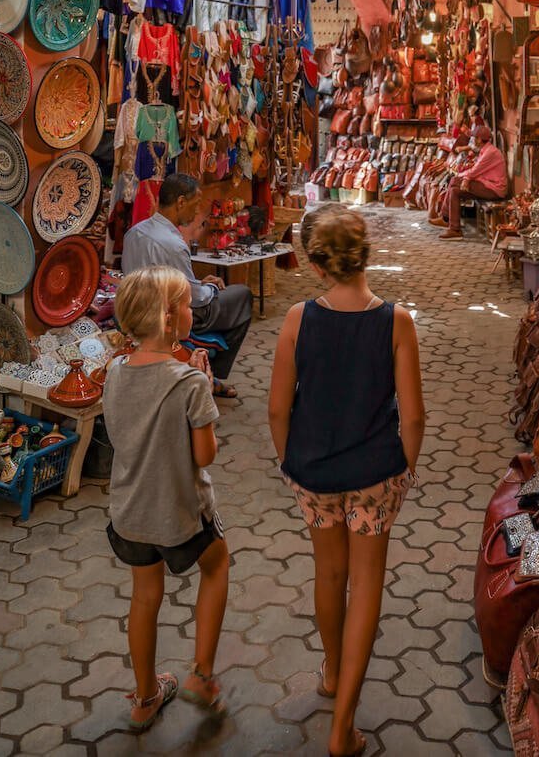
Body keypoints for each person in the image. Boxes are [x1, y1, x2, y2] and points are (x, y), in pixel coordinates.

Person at [268, 207, 425, 757]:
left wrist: (291, 462)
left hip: (313, 471)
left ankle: (332, 673)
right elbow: (413, 415)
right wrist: (405, 468)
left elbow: (276, 408)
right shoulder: (396, 321)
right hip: (375, 474)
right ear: (366, 254)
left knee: (329, 575)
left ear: (315, 265)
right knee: (366, 587)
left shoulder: (296, 319)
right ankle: (343, 728)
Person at [103, 266, 230, 731]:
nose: (191, 308)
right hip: (181, 513)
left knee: (144, 598)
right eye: (184, 302)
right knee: (217, 567)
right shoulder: (189, 382)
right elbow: (205, 454)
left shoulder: (114, 372)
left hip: (130, 513)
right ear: (168, 318)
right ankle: (201, 674)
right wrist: (203, 389)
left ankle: (144, 696)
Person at [122, 173, 252, 398]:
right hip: (169, 311)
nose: (196, 210)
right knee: (242, 296)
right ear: (180, 202)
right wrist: (209, 288)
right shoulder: (173, 244)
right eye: (195, 204)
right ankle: (212, 373)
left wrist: (198, 282)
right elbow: (196, 297)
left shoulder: (135, 233)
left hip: (138, 306)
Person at [432, 123, 507, 239]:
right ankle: (452, 226)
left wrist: (464, 177)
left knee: (455, 181)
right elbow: (476, 171)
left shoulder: (490, 153)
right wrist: (465, 178)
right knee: (454, 190)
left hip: (494, 189)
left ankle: (448, 221)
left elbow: (475, 170)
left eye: (475, 138)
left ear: (479, 139)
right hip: (486, 184)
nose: (473, 141)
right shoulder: (484, 151)